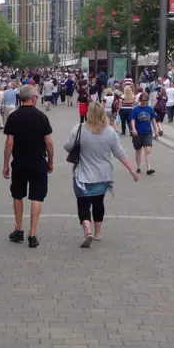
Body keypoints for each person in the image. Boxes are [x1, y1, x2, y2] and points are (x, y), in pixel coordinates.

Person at [64, 102, 139, 248]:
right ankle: (98, 232)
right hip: (103, 175)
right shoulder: (110, 132)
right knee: (99, 203)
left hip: (82, 175)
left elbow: (67, 146)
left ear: (88, 114)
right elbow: (119, 153)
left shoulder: (79, 129)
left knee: (83, 204)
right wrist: (132, 169)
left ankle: (87, 229)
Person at [3, 84, 53, 248]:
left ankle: (19, 229)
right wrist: (50, 161)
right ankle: (32, 234)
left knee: (18, 195)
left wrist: (6, 164)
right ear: (33, 98)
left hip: (19, 162)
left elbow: (9, 142)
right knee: (36, 197)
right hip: (38, 161)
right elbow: (49, 142)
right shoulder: (41, 117)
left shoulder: (13, 117)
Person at [130, 92, 158, 175]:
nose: (144, 102)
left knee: (148, 150)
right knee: (138, 150)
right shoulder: (135, 109)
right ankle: (138, 167)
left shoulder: (150, 109)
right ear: (140, 100)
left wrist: (156, 131)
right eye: (143, 100)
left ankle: (149, 168)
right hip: (138, 133)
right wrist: (134, 129)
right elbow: (132, 120)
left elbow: (153, 120)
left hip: (147, 132)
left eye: (146, 100)